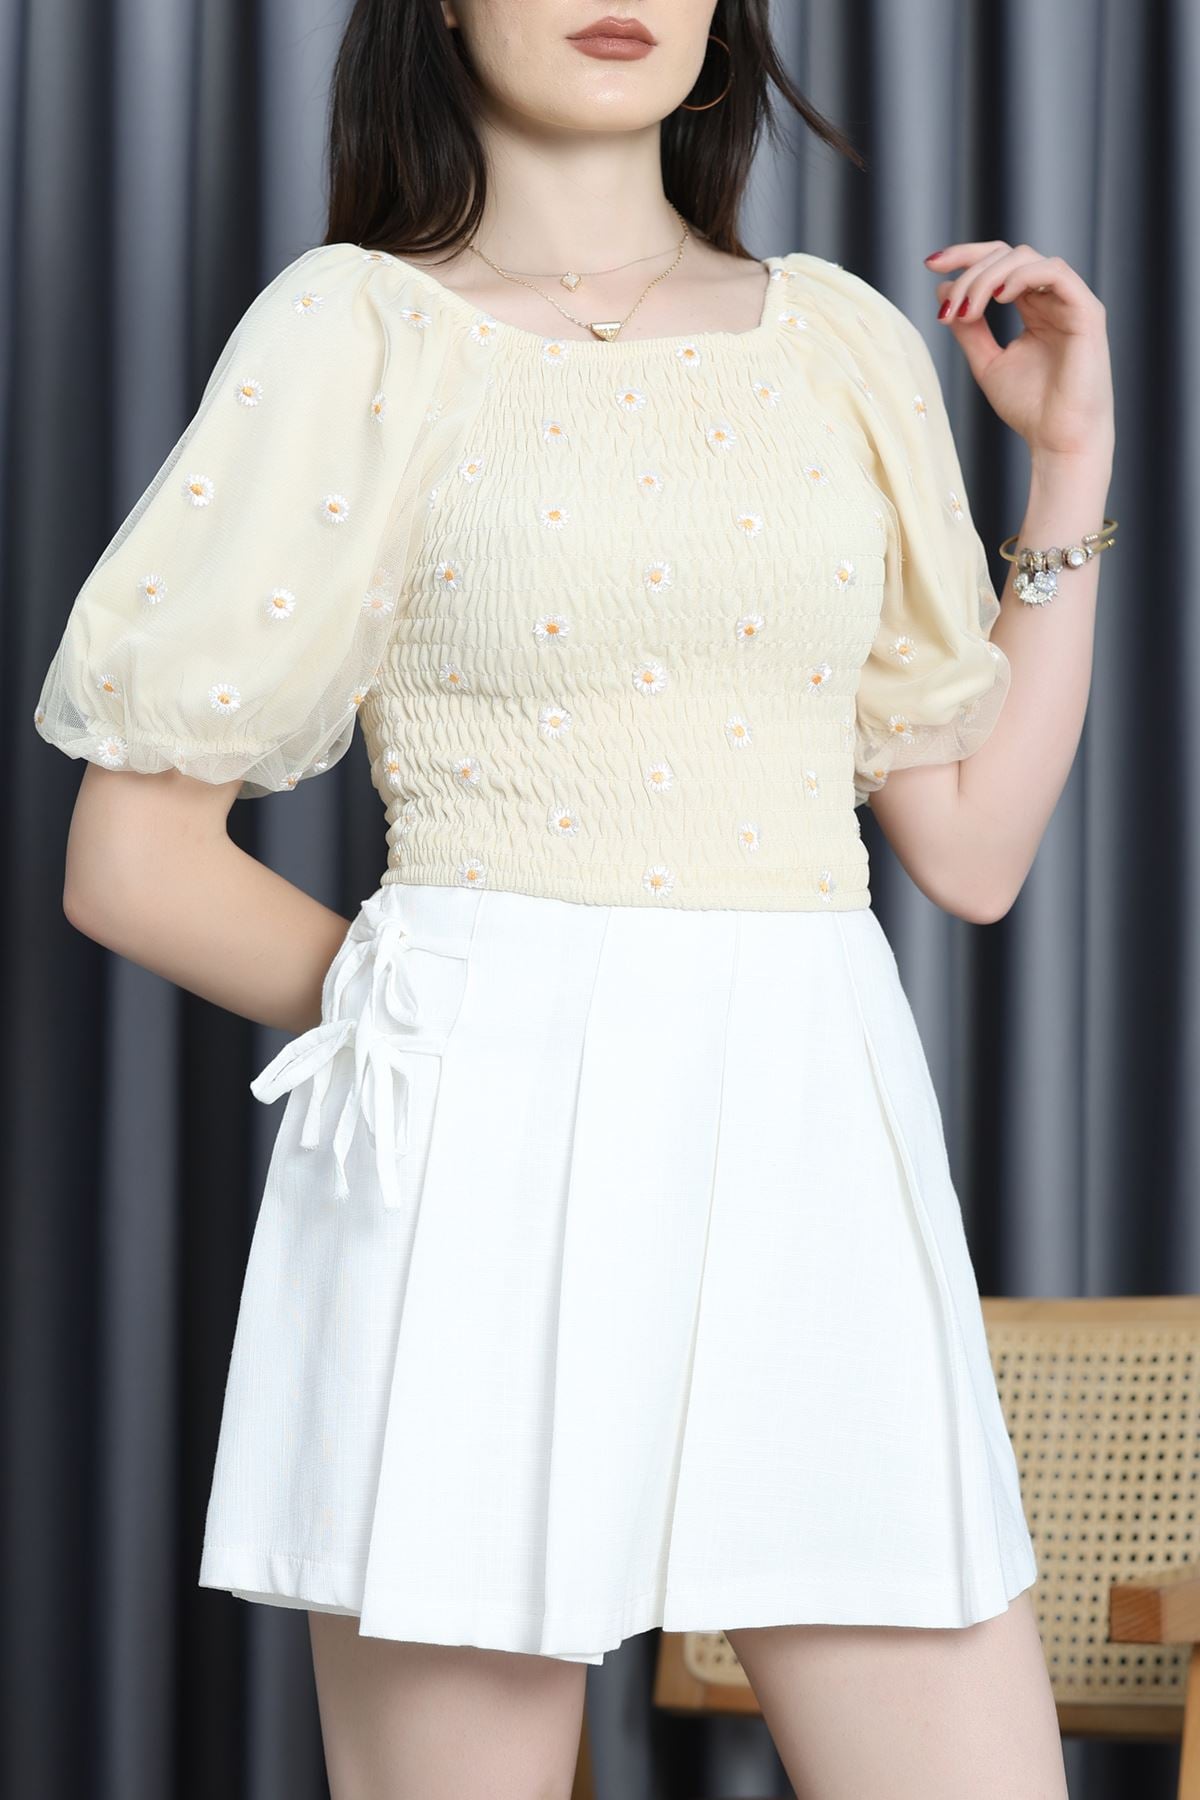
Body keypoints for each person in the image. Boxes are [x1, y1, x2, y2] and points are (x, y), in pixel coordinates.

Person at [34, 2, 1115, 1795]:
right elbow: (130, 863)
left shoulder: (842, 340)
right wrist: (459, 1014)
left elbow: (974, 850)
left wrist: (1067, 465)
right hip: (473, 1147)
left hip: (812, 1131)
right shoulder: (357, 330)